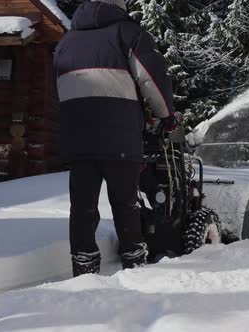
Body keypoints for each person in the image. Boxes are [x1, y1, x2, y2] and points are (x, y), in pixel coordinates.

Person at [53, 0, 174, 276]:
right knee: (125, 203)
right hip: (119, 138)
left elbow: (58, 89)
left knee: (82, 207)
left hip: (79, 138)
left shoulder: (66, 41)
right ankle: (134, 264)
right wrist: (165, 115)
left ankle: (83, 269)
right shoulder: (128, 33)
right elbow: (151, 79)